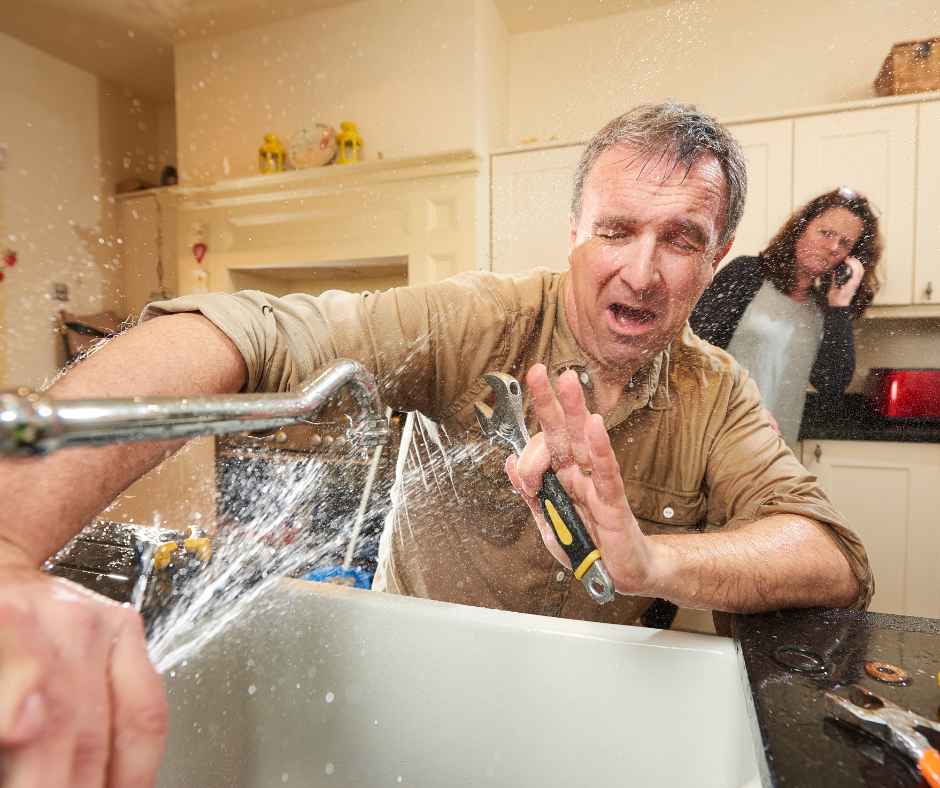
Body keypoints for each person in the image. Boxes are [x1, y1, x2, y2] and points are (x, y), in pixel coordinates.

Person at [0, 102, 871, 787]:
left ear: (715, 257)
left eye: (679, 240)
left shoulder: (713, 393)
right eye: (615, 230)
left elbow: (827, 551)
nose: (641, 272)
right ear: (574, 233)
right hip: (407, 686)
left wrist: (654, 563)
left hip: (592, 710)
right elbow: (246, 329)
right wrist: (7, 550)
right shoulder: (478, 321)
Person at [690, 188, 883, 448]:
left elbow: (832, 383)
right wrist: (742, 411)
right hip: (715, 440)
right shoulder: (746, 274)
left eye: (845, 243)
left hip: (778, 450)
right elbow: (693, 353)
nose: (833, 247)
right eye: (826, 233)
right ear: (801, 229)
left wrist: (839, 306)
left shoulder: (823, 308)